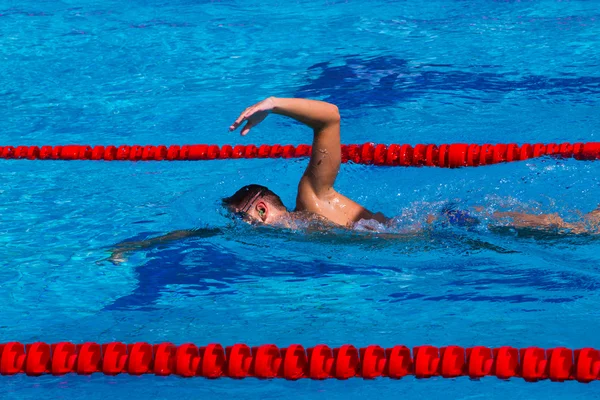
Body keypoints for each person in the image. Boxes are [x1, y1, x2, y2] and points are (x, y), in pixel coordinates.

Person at [224, 97, 387, 228]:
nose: (240, 226)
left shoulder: (311, 199)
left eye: (241, 218)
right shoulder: (304, 229)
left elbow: (330, 118)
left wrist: (273, 105)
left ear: (261, 210)